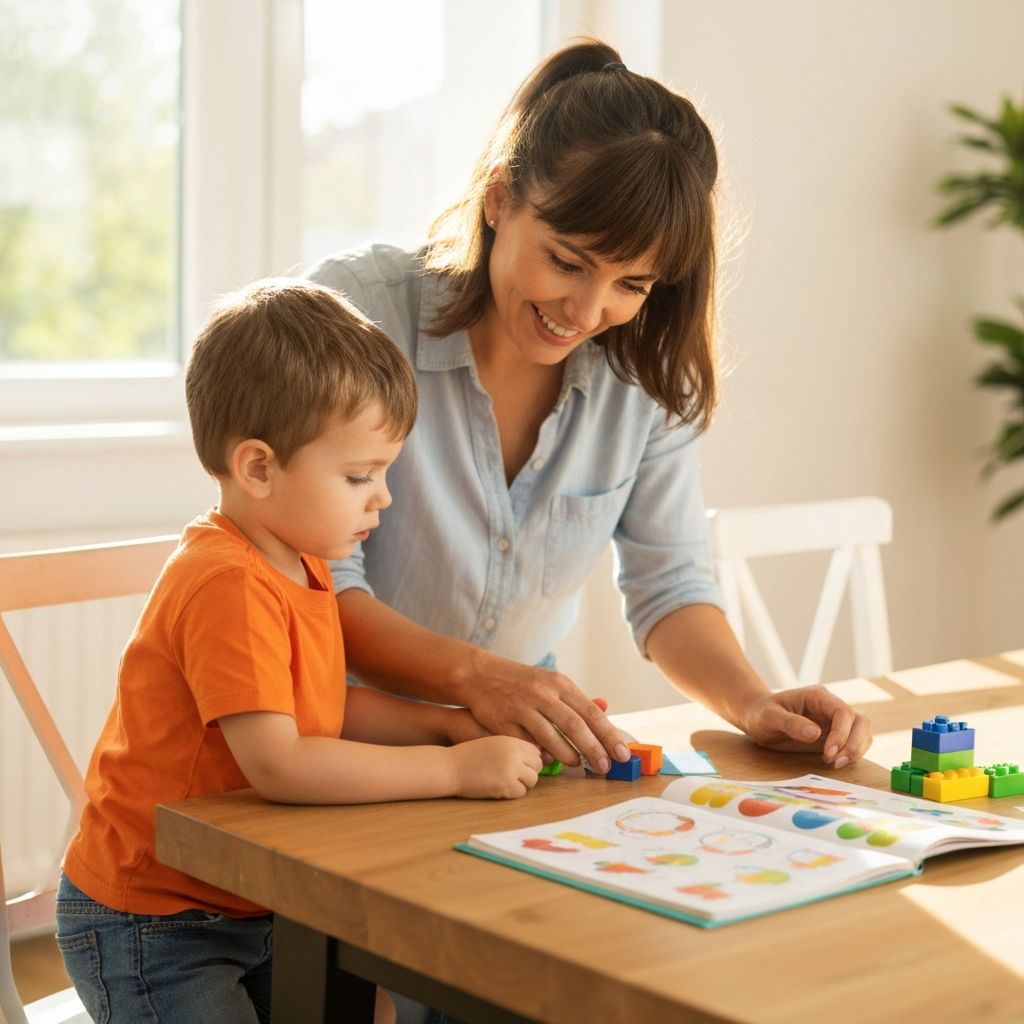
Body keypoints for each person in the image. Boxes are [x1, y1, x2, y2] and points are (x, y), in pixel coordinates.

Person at [307, 38, 873, 773]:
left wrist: (751, 702)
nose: (586, 309)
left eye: (631, 285)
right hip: (332, 749)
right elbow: (316, 583)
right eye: (567, 262)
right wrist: (477, 680)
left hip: (509, 760)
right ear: (499, 196)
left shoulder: (642, 377)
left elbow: (669, 582)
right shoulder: (361, 314)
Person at [55, 280, 541, 1024]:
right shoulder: (226, 580)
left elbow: (324, 708)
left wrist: (443, 724)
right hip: (156, 919)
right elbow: (280, 761)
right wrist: (450, 768)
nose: (382, 498)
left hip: (257, 896)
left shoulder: (300, 560)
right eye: (359, 476)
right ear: (257, 469)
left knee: (369, 1004)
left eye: (384, 474)